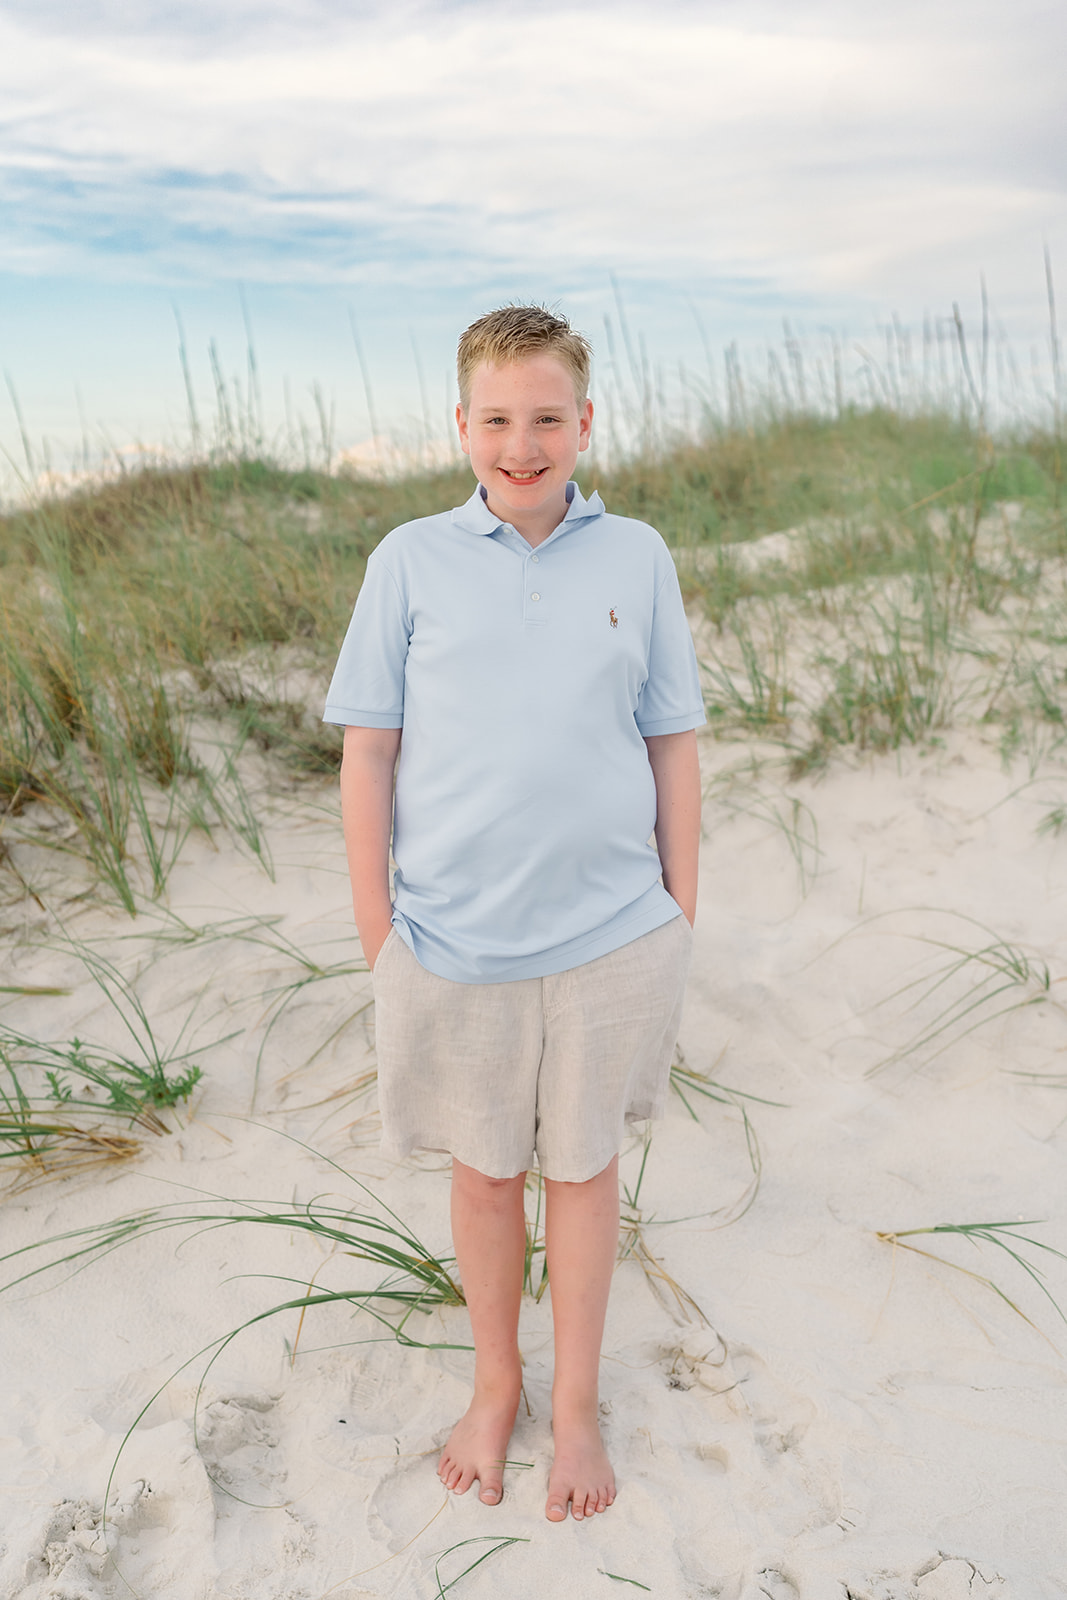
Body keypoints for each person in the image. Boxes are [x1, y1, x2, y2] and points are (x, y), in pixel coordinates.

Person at [323, 304, 704, 1523]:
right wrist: (380, 935)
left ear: (583, 422)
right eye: (497, 419)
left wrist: (676, 914)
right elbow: (368, 756)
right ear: (462, 425)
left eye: (546, 418)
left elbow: (671, 741)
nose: (521, 443)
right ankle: (497, 1386)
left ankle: (577, 1402)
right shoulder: (408, 560)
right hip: (451, 939)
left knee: (583, 1173)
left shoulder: (635, 554)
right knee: (487, 1177)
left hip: (608, 936)